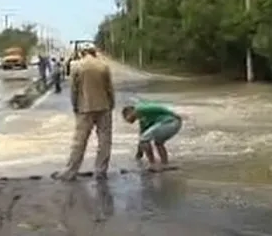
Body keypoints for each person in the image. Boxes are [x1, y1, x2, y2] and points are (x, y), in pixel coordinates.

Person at [54, 43, 115, 181]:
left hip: (84, 108)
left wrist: (74, 105)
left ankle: (70, 171)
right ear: (94, 52)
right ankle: (100, 171)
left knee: (79, 141)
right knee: (104, 141)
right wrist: (111, 104)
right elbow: (109, 88)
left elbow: (74, 90)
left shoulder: (77, 66)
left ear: (82, 52)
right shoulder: (103, 66)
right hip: (104, 107)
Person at [122, 102, 182, 171]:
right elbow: (142, 138)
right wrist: (139, 153)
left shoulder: (140, 109)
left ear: (131, 111)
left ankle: (152, 163)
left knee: (145, 139)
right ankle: (165, 163)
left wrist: (173, 114)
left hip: (171, 121)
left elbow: (158, 108)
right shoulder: (143, 121)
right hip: (169, 123)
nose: (127, 120)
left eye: (126, 116)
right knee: (158, 143)